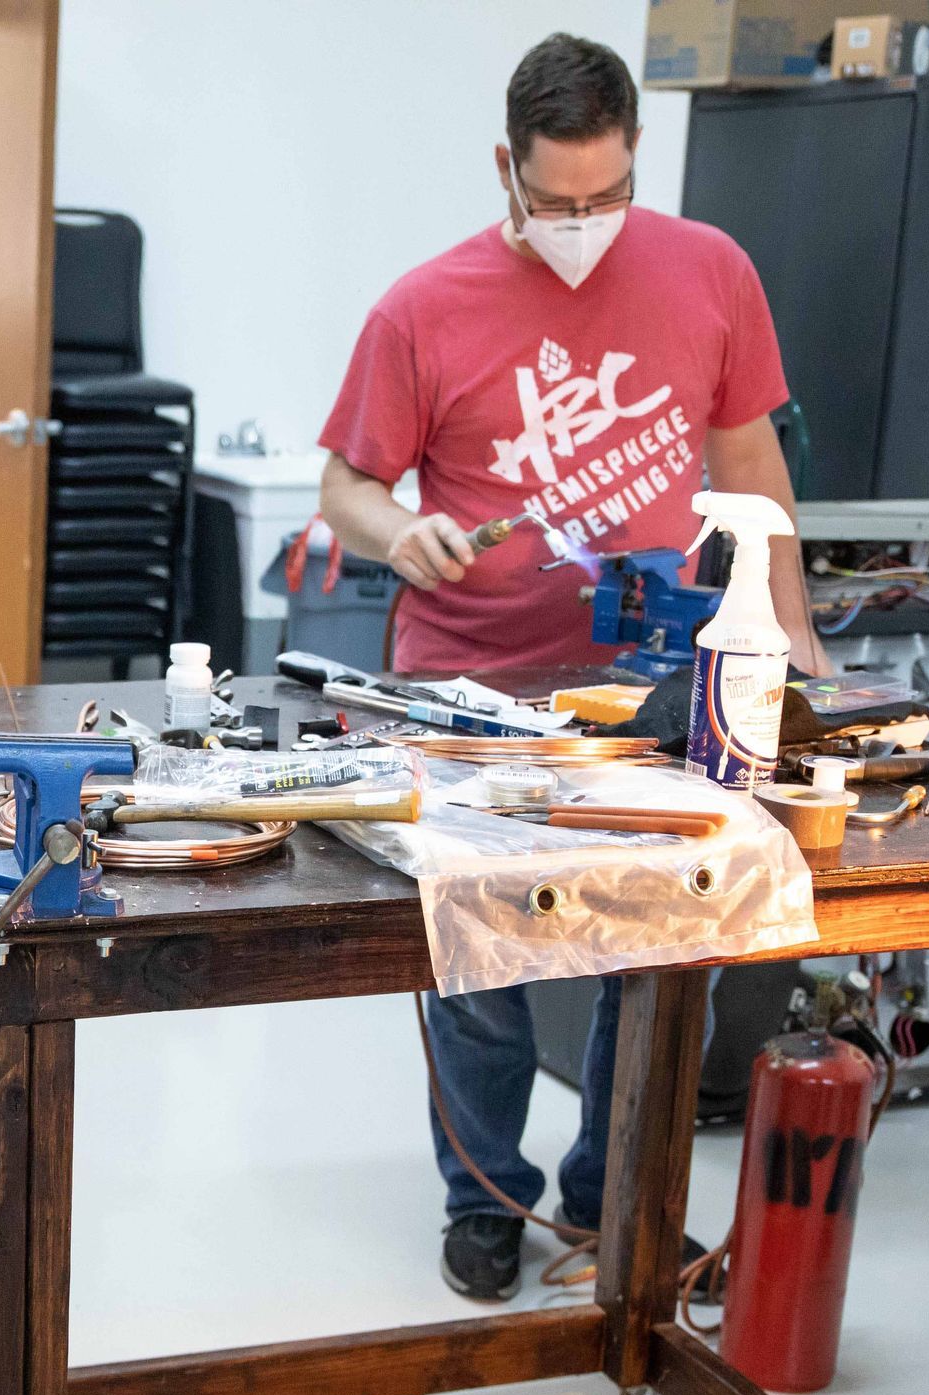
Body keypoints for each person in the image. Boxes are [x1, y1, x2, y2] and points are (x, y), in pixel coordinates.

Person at [317, 33, 832, 1303]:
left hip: (651, 684)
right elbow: (346, 488)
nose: (583, 224)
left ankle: (617, 1198)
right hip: (471, 689)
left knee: (660, 951)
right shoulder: (422, 308)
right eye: (555, 202)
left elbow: (751, 463)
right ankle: (484, 1199)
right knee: (482, 964)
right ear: (506, 168)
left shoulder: (710, 271)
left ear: (636, 155)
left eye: (608, 196)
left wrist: (799, 636)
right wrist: (402, 532)